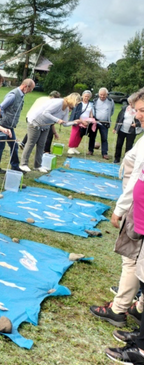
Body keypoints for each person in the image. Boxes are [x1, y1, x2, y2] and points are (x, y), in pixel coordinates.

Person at [104, 89, 144, 364]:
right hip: (139, 215)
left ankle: (141, 348)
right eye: (137, 110)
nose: (137, 115)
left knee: (134, 266)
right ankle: (140, 337)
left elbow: (134, 180)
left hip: (138, 216)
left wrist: (121, 208)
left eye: (142, 110)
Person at [20, 93, 83, 173]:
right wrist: (57, 120)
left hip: (46, 125)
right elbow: (45, 112)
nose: (76, 105)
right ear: (73, 100)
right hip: (35, 121)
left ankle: (38, 165)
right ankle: (23, 164)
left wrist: (74, 122)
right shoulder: (59, 102)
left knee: (42, 144)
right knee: (31, 143)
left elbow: (65, 123)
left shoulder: (66, 109)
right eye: (76, 103)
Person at [0, 79, 35, 173]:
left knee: (14, 145)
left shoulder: (21, 95)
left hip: (9, 126)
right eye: (31, 88)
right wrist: (2, 120)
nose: (32, 91)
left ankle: (15, 166)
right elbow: (0, 107)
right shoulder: (13, 95)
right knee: (0, 146)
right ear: (25, 87)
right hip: (3, 124)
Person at [113, 94, 141, 164]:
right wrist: (115, 128)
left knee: (129, 146)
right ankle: (117, 159)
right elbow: (119, 118)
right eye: (130, 102)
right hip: (122, 130)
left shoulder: (139, 110)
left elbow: (141, 120)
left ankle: (126, 160)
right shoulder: (125, 108)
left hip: (131, 131)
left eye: (132, 103)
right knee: (119, 144)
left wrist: (136, 124)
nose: (131, 104)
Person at [88, 87, 115, 159]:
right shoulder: (95, 100)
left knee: (104, 138)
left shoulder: (110, 101)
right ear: (98, 94)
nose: (102, 96)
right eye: (101, 94)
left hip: (105, 123)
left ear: (107, 94)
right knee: (92, 136)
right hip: (95, 122)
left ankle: (104, 153)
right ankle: (90, 150)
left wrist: (106, 117)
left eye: (104, 95)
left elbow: (112, 111)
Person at [68, 90, 93, 155]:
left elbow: (91, 114)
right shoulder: (79, 104)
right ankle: (70, 147)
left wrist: (89, 121)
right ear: (82, 96)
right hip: (78, 121)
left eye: (88, 96)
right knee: (74, 134)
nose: (86, 98)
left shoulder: (90, 105)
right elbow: (76, 114)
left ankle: (75, 147)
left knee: (80, 135)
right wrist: (81, 121)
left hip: (85, 123)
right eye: (85, 96)